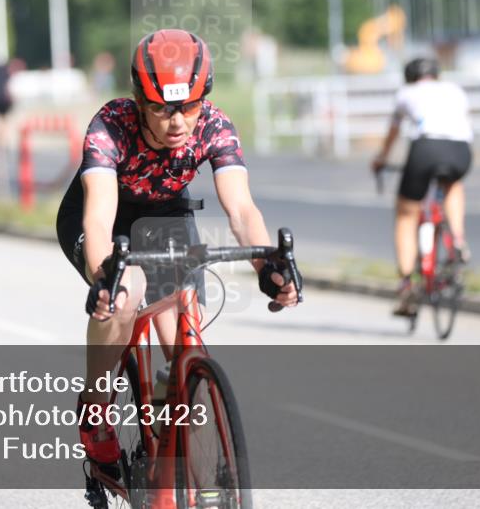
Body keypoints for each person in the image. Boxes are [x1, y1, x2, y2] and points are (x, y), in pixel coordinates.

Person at [56, 28, 300, 466]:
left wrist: (269, 267)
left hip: (165, 215)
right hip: (105, 215)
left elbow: (242, 210)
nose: (177, 122)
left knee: (182, 336)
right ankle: (95, 409)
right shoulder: (110, 126)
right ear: (138, 99)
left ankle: (187, 461)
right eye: (161, 109)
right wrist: (103, 278)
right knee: (125, 293)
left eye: (188, 106)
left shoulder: (214, 125)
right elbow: (98, 216)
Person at [371, 57, 473, 317]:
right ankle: (459, 241)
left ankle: (406, 283)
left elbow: (393, 133)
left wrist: (381, 159)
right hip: (460, 150)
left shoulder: (407, 92)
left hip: (426, 148)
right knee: (453, 184)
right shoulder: (455, 90)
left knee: (406, 214)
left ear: (410, 77)